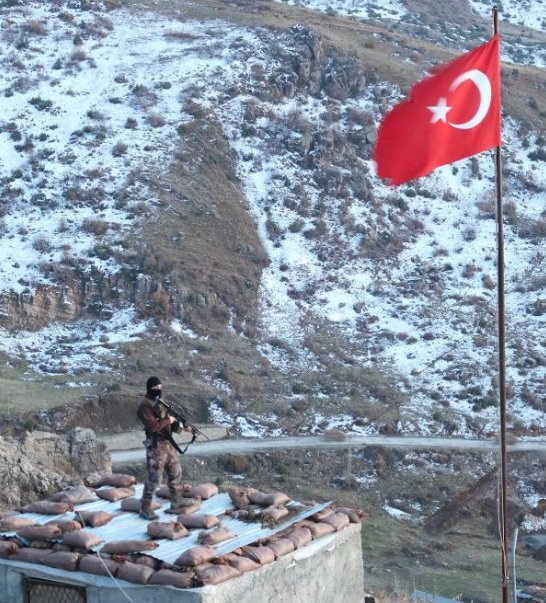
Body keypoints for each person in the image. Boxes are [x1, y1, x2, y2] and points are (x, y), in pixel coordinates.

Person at [137, 376, 190, 520]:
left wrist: (183, 428)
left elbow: (169, 424)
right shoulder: (144, 406)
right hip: (155, 445)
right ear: (149, 389)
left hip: (168, 443)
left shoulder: (160, 403)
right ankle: (145, 507)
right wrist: (169, 419)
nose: (159, 390)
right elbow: (153, 426)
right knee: (154, 478)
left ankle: (176, 501)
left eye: (160, 388)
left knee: (175, 472)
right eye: (156, 388)